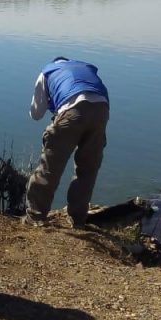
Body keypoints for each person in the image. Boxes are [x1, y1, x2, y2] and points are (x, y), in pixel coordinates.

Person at [24, 56, 110, 228]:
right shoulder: (85, 67)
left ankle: (35, 217)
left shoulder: (47, 72)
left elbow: (36, 114)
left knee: (50, 168)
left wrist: (51, 105)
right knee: (87, 170)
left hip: (71, 112)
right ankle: (78, 220)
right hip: (101, 109)